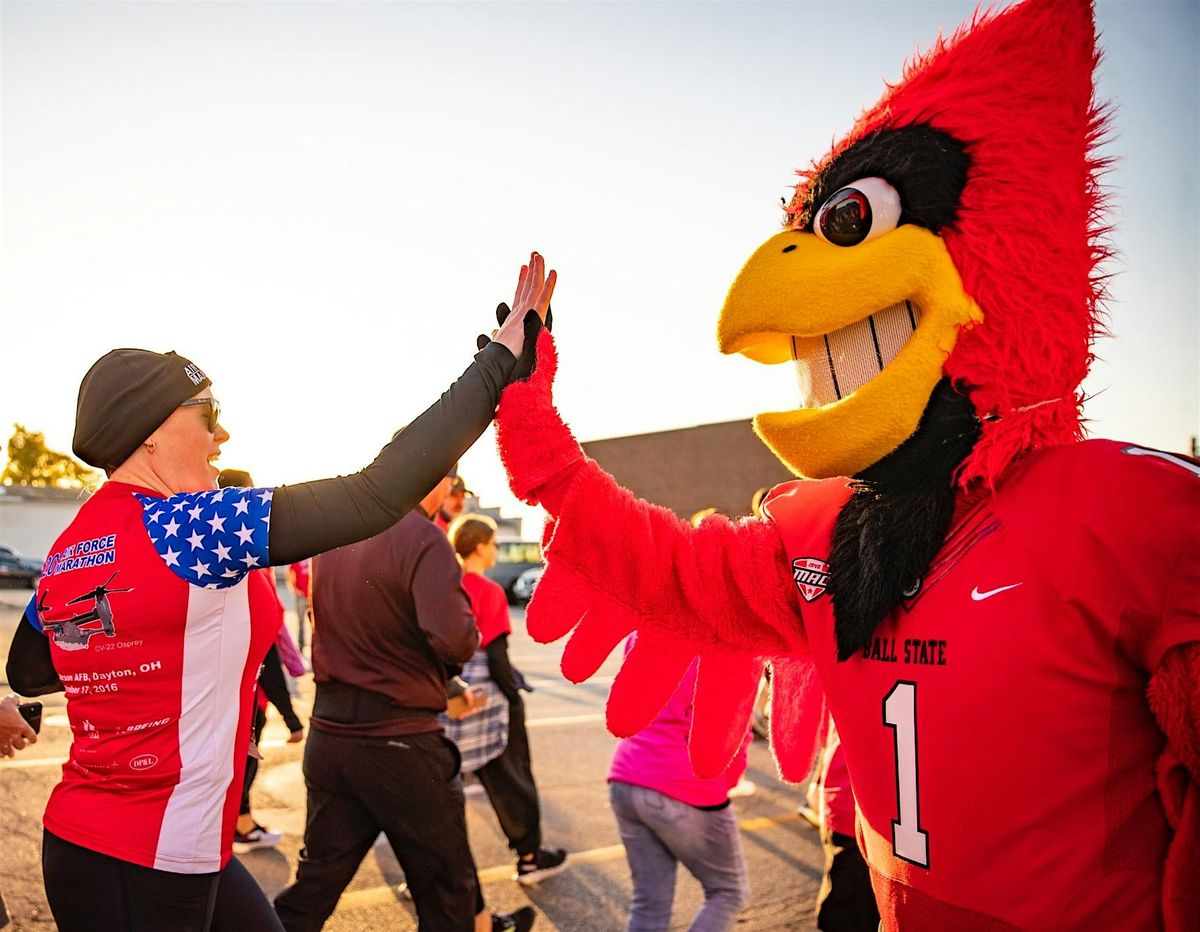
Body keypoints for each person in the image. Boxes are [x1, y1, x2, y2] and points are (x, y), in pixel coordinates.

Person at [5, 252, 555, 932]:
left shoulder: (71, 546)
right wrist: (498, 365)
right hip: (144, 857)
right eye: (207, 410)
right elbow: (378, 493)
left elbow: (29, 669)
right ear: (150, 434)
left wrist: (134, 671)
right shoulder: (193, 527)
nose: (221, 433)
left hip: (131, 841)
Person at [273, 475, 535, 932]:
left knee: (316, 882)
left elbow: (346, 625)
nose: (454, 500)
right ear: (440, 479)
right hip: (399, 743)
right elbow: (455, 640)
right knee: (445, 891)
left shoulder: (338, 532)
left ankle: (486, 925)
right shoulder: (422, 536)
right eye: (454, 488)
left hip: (331, 734)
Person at [446, 515, 568, 885]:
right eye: (494, 543)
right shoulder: (488, 592)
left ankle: (433, 873)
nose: (496, 550)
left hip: (449, 696)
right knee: (512, 780)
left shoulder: (444, 586)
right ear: (481, 547)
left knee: (442, 789)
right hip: (489, 702)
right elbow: (496, 654)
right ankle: (530, 856)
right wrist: (513, 696)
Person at [608, 643, 751, 932]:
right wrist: (725, 783)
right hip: (686, 784)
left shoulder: (645, 627)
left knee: (649, 903)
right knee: (728, 892)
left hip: (628, 774)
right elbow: (735, 726)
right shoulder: (729, 642)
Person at [216, 467, 306, 855]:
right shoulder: (245, 565)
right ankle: (240, 826)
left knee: (235, 762)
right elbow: (265, 644)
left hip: (232, 688)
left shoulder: (213, 555)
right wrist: (292, 716)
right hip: (247, 688)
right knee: (242, 762)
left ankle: (241, 823)